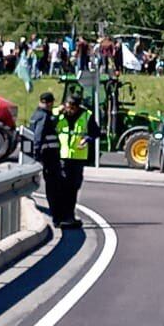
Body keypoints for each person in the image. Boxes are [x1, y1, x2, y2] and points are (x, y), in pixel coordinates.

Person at [53, 92, 102, 228]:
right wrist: (57, 112)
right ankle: (61, 216)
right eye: (68, 106)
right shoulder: (58, 114)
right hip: (62, 156)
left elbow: (96, 132)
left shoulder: (86, 115)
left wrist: (87, 139)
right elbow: (47, 123)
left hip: (78, 157)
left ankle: (69, 216)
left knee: (73, 187)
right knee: (62, 187)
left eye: (72, 107)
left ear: (77, 106)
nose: (70, 110)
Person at [27, 92, 67, 223]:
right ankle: (57, 216)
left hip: (47, 156)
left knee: (53, 186)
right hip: (49, 157)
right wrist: (37, 155)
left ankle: (57, 214)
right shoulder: (44, 116)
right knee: (54, 187)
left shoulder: (36, 114)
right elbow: (38, 136)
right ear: (49, 103)